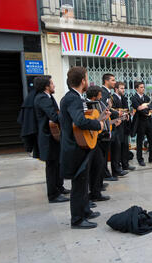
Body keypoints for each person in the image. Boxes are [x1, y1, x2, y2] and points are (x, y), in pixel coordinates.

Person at [59, 66, 110, 229]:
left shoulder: (73, 97)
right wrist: (98, 124)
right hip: (75, 147)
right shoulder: (73, 98)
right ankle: (77, 219)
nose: (88, 81)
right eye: (87, 78)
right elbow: (80, 121)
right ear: (82, 81)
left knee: (84, 180)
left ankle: (85, 210)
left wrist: (101, 119)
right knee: (79, 184)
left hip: (80, 144)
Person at [33, 75, 70, 203]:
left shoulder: (48, 96)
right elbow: (54, 116)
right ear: (46, 86)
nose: (54, 85)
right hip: (48, 138)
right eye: (52, 83)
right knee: (51, 166)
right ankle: (53, 195)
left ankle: (59, 187)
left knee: (58, 163)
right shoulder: (42, 98)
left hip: (54, 136)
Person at [85, 86, 111, 203]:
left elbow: (98, 120)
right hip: (90, 138)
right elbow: (89, 122)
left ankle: (96, 192)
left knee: (99, 164)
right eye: (100, 95)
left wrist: (105, 118)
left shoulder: (99, 104)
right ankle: (92, 193)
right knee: (92, 167)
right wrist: (101, 120)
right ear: (95, 95)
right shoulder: (86, 105)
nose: (101, 97)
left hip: (98, 137)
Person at [101, 73, 127, 177]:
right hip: (108, 125)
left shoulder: (108, 93)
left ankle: (116, 170)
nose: (114, 82)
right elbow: (104, 108)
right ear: (106, 81)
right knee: (107, 150)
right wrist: (117, 114)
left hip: (114, 124)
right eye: (112, 80)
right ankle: (106, 173)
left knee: (116, 147)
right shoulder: (103, 92)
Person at [130, 82, 152, 166]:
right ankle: (140, 159)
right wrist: (146, 108)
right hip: (140, 122)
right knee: (140, 141)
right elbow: (138, 108)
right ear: (136, 88)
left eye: (143, 87)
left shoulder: (146, 97)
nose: (143, 89)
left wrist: (146, 107)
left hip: (148, 121)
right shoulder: (134, 98)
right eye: (141, 87)